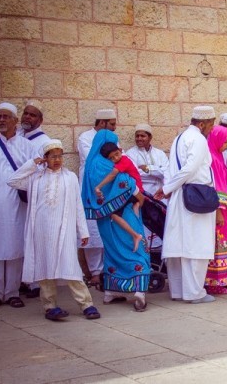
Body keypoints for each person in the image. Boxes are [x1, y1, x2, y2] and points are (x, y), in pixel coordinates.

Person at [7, 140, 101, 320]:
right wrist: (33, 164)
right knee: (45, 268)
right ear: (45, 158)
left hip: (64, 230)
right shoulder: (36, 178)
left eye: (60, 156)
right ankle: (50, 307)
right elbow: (12, 181)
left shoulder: (70, 177)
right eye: (53, 156)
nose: (57, 160)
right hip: (41, 231)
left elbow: (77, 205)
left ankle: (86, 304)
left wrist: (83, 231)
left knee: (71, 266)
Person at [82, 129, 150, 311]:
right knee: (134, 246)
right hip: (125, 211)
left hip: (103, 217)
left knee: (112, 249)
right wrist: (139, 197)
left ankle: (111, 291)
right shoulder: (107, 165)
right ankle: (139, 290)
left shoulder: (92, 165)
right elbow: (126, 183)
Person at [157, 106, 217, 303]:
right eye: (211, 124)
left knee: (180, 247)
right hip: (194, 198)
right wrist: (167, 189)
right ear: (202, 123)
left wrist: (168, 188)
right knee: (196, 246)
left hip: (180, 196)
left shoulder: (179, 138)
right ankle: (194, 293)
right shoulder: (198, 139)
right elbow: (190, 169)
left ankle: (178, 291)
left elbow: (169, 168)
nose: (212, 128)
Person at [0, 102, 34, 309]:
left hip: (16, 204)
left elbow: (33, 175)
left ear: (15, 121)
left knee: (15, 246)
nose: (1, 120)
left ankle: (12, 292)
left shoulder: (27, 146)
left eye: (5, 117)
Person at [77, 109, 117, 288]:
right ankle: (94, 272)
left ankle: (108, 270)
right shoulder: (85, 138)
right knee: (92, 231)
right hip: (91, 190)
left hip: (108, 188)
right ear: (102, 123)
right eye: (112, 124)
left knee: (110, 228)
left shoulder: (111, 138)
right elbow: (98, 158)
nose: (115, 127)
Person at [17, 100, 51, 298]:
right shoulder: (16, 137)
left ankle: (37, 283)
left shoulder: (43, 141)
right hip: (15, 195)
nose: (28, 117)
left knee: (35, 237)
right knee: (20, 237)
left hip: (33, 196)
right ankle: (23, 279)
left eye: (32, 115)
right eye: (26, 113)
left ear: (40, 120)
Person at [95, 142, 146, 252]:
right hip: (134, 193)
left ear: (121, 150)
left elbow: (113, 175)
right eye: (112, 158)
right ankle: (136, 233)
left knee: (114, 214)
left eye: (116, 154)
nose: (115, 158)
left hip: (134, 192)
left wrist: (98, 187)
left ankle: (135, 235)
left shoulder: (124, 160)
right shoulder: (122, 160)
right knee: (132, 212)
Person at [126, 123, 169, 249]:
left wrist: (148, 168)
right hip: (142, 195)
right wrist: (157, 171)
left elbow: (167, 172)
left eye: (142, 136)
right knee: (146, 226)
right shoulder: (130, 154)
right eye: (137, 136)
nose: (139, 138)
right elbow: (134, 173)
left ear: (150, 137)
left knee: (161, 225)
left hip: (159, 194)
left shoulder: (160, 153)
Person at [205, 125, 227, 294]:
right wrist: (219, 211)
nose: (226, 145)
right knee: (218, 244)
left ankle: (222, 280)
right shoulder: (212, 158)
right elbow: (216, 187)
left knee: (225, 244)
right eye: (224, 142)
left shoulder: (218, 156)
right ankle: (213, 282)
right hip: (220, 210)